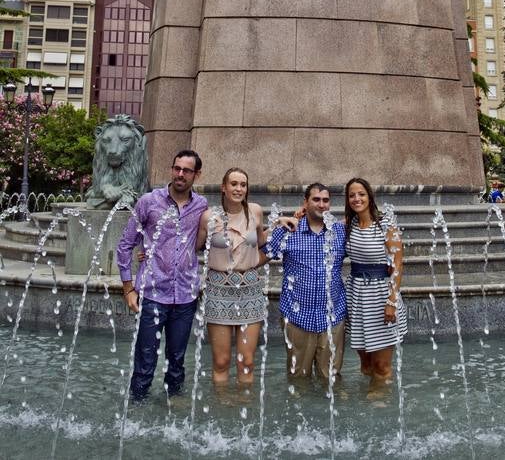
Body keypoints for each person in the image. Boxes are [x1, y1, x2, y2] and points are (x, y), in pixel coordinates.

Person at [117, 149, 207, 401]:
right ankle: (137, 403)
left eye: (186, 170)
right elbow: (125, 244)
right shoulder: (149, 201)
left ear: (196, 175)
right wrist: (127, 288)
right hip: (153, 293)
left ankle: (174, 405)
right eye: (176, 168)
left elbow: (206, 240)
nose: (180, 174)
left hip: (186, 296)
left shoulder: (201, 206)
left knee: (177, 358)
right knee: (146, 356)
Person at [263, 182, 347, 379]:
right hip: (297, 318)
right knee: (298, 378)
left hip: (332, 317)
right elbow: (263, 250)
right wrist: (277, 224)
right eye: (316, 199)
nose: (321, 204)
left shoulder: (340, 231)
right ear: (305, 203)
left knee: (331, 378)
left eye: (325, 200)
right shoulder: (290, 230)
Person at [196, 167, 266, 386]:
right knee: (221, 361)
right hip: (219, 291)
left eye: (243, 184)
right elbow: (195, 247)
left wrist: (251, 265)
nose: (239, 188)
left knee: (247, 361)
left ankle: (244, 410)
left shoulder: (255, 211)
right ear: (223, 188)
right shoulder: (208, 217)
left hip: (250, 291)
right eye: (234, 184)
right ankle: (222, 411)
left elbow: (264, 246)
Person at [345, 177, 407, 386]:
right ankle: (371, 392)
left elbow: (397, 264)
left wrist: (392, 301)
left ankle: (380, 400)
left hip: (381, 296)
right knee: (365, 363)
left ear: (369, 196)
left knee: (381, 364)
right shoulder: (348, 225)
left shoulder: (386, 225)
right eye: (352, 195)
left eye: (361, 194)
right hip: (356, 296)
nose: (356, 199)